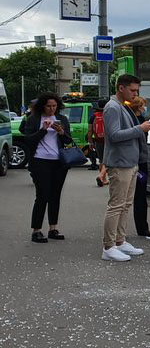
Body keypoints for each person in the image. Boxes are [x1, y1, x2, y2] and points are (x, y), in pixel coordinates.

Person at [101, 75, 150, 261]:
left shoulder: (122, 105)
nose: (135, 94)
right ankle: (108, 246)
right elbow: (114, 135)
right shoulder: (113, 107)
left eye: (137, 90)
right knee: (116, 205)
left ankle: (120, 241)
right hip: (119, 163)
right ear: (121, 88)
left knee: (125, 205)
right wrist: (140, 129)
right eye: (133, 90)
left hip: (130, 163)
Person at [21, 92, 73, 243]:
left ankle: (53, 228)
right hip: (40, 161)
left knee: (55, 195)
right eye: (49, 106)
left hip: (58, 162)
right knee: (42, 195)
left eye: (54, 106)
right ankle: (36, 230)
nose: (52, 109)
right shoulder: (34, 119)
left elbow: (68, 140)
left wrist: (62, 132)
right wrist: (43, 130)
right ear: (42, 106)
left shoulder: (62, 119)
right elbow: (28, 140)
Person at [127, 96, 150, 237]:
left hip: (141, 161)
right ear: (138, 106)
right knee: (137, 194)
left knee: (140, 194)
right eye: (143, 106)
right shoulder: (136, 121)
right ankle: (141, 227)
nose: (145, 108)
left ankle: (142, 227)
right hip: (136, 160)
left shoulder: (142, 120)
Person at [88, 99, 108, 185]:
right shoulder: (108, 115)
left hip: (98, 140)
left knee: (101, 160)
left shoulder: (93, 116)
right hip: (108, 141)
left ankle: (103, 178)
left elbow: (89, 131)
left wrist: (91, 142)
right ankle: (102, 177)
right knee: (108, 160)